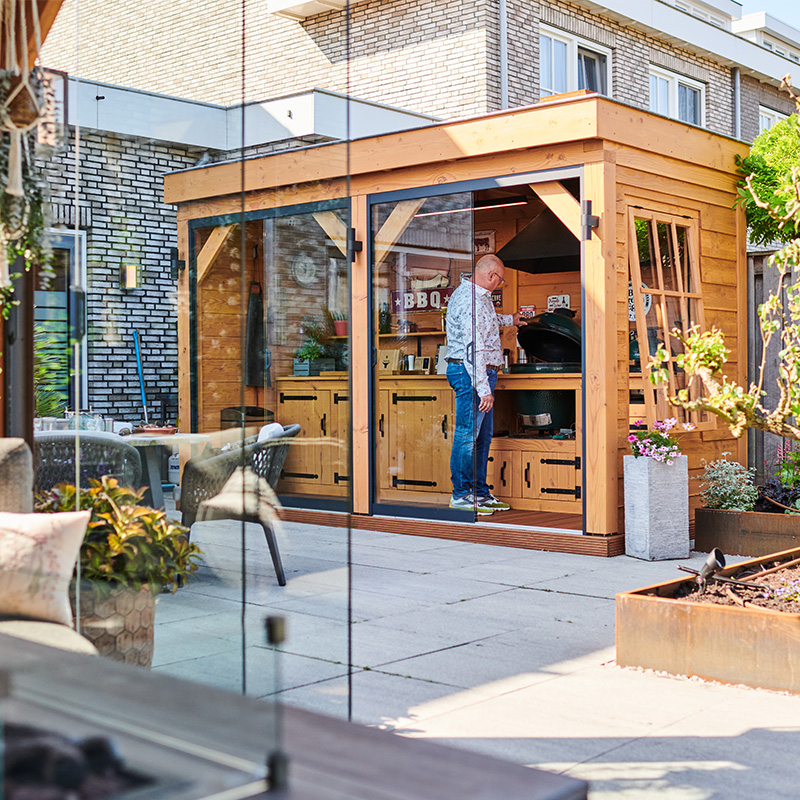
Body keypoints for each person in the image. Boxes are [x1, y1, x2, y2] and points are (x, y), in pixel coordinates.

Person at [445, 255, 523, 515]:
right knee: (467, 435)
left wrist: (510, 319)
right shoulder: (470, 301)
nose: (500, 284)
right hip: (471, 374)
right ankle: (461, 494)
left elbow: (488, 324)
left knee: (482, 437)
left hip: (480, 373)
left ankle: (478, 492)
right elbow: (473, 349)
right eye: (500, 279)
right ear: (491, 276)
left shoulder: (480, 297)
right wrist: (484, 387)